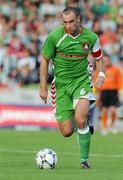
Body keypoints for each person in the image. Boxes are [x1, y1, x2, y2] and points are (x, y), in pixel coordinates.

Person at [39, 7, 105, 169]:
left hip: (81, 81)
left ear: (79, 20)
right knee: (67, 131)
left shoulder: (90, 37)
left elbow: (99, 57)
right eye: (65, 22)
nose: (67, 25)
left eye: (71, 21)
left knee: (81, 119)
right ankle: (80, 123)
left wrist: (101, 74)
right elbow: (44, 61)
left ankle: (84, 160)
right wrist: (43, 87)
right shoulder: (55, 36)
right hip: (60, 85)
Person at [98, 55, 122, 135]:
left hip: (113, 91)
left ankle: (112, 126)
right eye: (104, 61)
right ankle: (104, 127)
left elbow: (119, 80)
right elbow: (96, 81)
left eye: (107, 60)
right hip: (103, 91)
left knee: (113, 110)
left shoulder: (115, 70)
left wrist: (119, 91)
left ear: (110, 60)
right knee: (104, 110)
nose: (106, 62)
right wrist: (97, 93)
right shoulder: (100, 71)